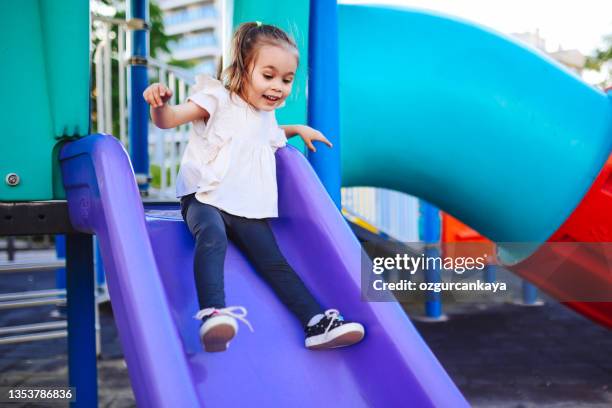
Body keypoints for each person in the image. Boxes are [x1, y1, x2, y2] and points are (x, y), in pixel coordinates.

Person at [143, 22, 365, 352]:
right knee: (212, 236)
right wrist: (159, 105)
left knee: (274, 261)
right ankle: (213, 314)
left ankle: (315, 322)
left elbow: (266, 133)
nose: (279, 86)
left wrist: (298, 128)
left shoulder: (266, 118)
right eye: (269, 75)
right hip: (203, 196)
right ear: (242, 69)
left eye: (287, 80)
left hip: (244, 206)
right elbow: (171, 119)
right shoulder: (216, 98)